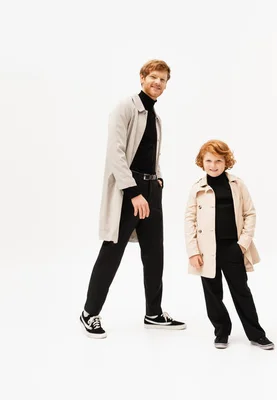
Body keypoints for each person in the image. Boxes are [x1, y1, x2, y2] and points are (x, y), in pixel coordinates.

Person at [80, 60, 185, 338]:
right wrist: (134, 192)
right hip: (130, 191)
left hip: (151, 190)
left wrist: (158, 180)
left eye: (163, 80)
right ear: (142, 78)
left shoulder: (156, 117)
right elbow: (115, 154)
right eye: (153, 77)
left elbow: (152, 154)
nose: (158, 83)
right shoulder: (125, 108)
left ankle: (153, 313)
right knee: (111, 252)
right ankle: (89, 313)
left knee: (154, 255)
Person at [184, 140, 273, 350]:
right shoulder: (197, 188)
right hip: (206, 252)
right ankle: (221, 332)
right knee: (213, 294)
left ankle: (257, 334)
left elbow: (249, 213)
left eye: (218, 160)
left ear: (226, 162)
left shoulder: (237, 185)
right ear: (202, 162)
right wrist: (193, 251)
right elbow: (189, 219)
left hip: (232, 248)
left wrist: (242, 244)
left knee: (242, 292)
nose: (213, 165)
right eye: (208, 160)